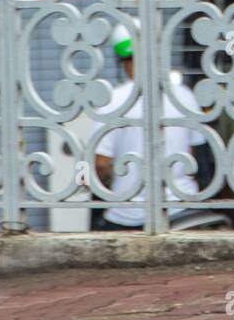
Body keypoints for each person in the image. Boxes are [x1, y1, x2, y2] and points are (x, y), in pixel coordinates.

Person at [88, 19, 210, 230]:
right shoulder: (183, 96)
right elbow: (197, 154)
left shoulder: (112, 101)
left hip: (128, 213)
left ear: (121, 59)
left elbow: (100, 164)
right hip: (184, 207)